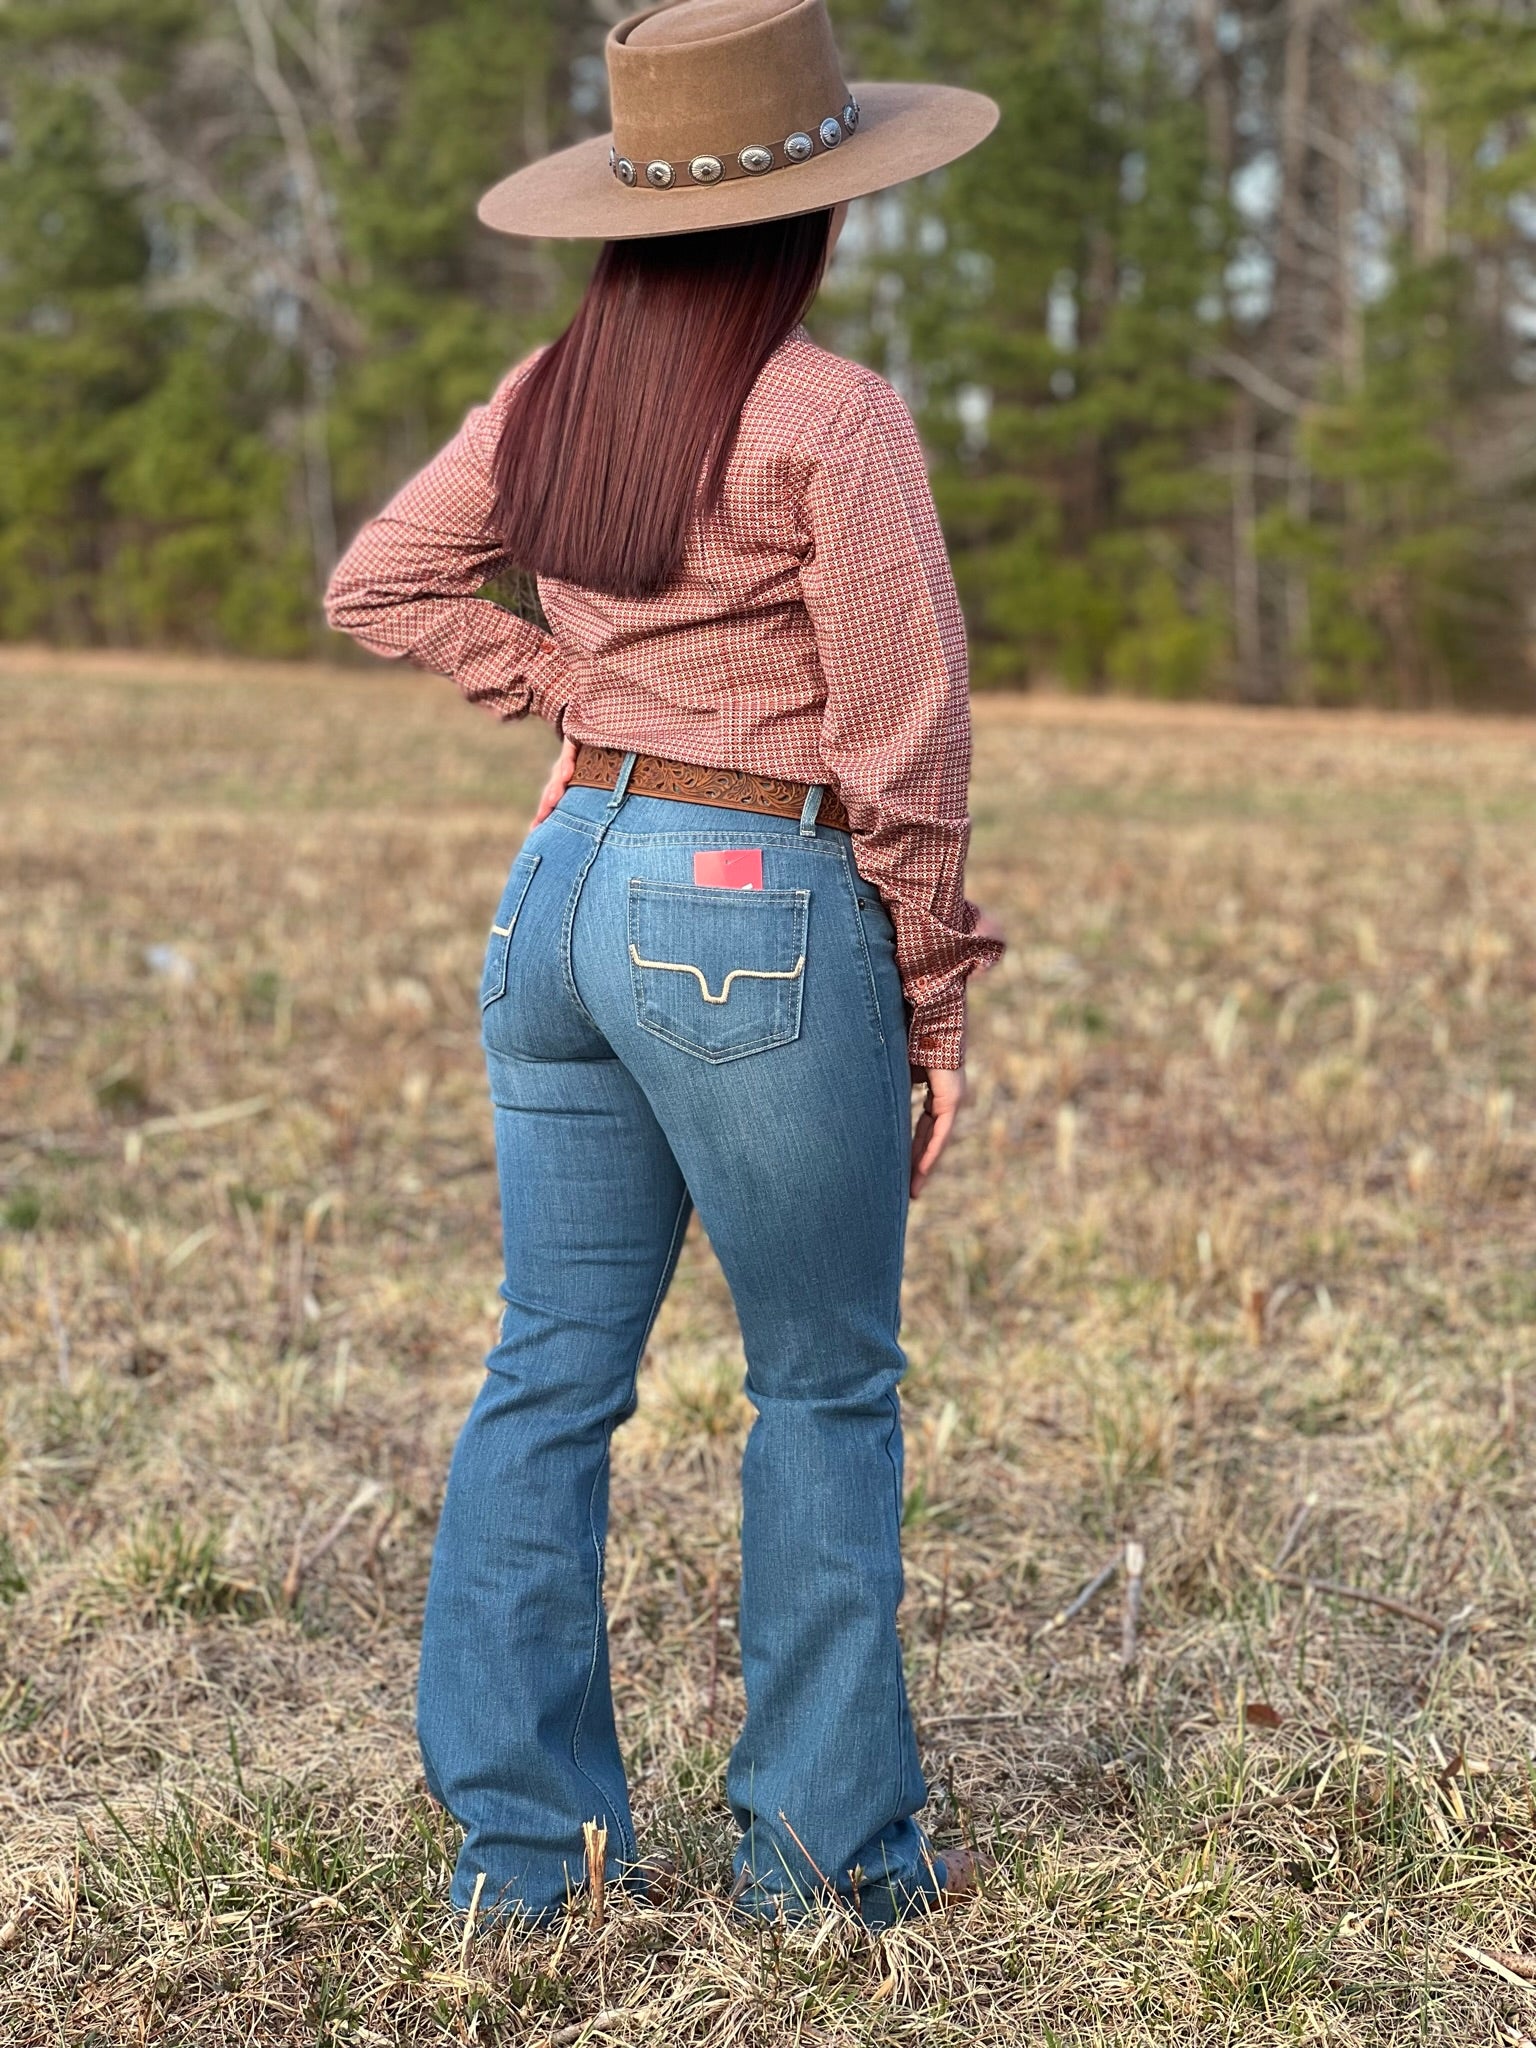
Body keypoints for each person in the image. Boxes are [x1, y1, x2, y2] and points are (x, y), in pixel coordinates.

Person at [324, 0, 1004, 1930]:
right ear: (816, 209)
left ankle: (525, 1865)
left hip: (559, 886)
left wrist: (573, 697)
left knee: (548, 1374)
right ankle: (821, 1860)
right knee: (821, 1389)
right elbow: (904, 734)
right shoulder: (830, 413)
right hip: (746, 904)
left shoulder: (555, 396)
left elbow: (378, 578)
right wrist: (936, 992)